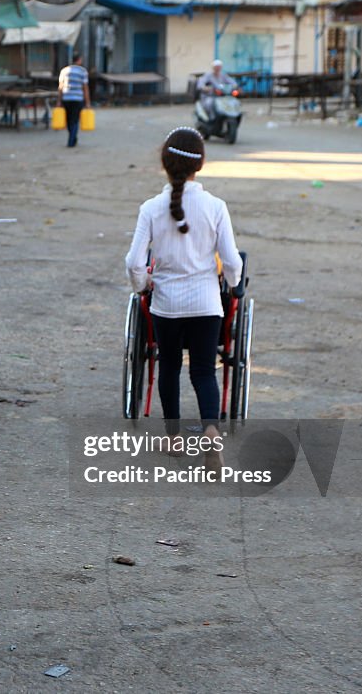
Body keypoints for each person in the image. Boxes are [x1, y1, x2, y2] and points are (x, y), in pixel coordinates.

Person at [124, 127, 242, 476]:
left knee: (170, 366)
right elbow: (232, 262)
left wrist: (144, 284)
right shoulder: (216, 207)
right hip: (206, 304)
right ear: (200, 165)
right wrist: (234, 287)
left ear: (165, 163)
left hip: (167, 305)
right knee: (204, 371)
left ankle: (173, 438)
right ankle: (210, 432)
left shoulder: (150, 208)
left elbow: (133, 262)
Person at [57, 54, 91, 148]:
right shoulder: (83, 71)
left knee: (68, 120)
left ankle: (72, 138)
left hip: (66, 98)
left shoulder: (64, 71)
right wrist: (87, 102)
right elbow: (85, 88)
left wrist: (59, 100)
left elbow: (60, 86)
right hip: (77, 99)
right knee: (75, 120)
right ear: (79, 60)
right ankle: (71, 141)